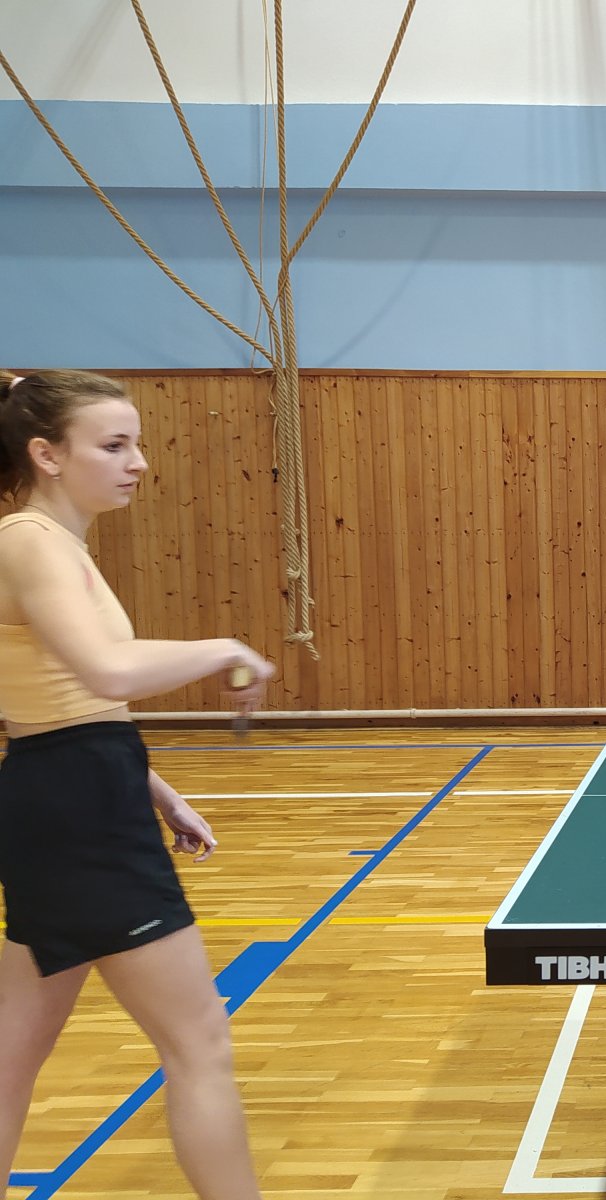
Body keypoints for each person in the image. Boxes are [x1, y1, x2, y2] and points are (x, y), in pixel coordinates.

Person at [0, 370, 275, 1200]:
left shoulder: (48, 543)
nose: (139, 463)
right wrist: (226, 648)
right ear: (47, 454)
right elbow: (107, 669)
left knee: (12, 1050)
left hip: (67, 790)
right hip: (79, 806)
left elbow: (67, 700)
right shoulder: (30, 542)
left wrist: (156, 789)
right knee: (198, 1044)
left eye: (137, 444)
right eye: (115, 445)